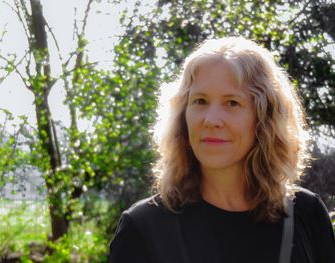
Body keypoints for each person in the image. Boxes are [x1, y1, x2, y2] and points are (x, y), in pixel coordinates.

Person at [108, 37, 335, 263]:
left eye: (232, 103)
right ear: (182, 117)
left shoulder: (306, 214)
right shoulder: (144, 227)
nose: (211, 120)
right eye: (200, 101)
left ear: (264, 119)